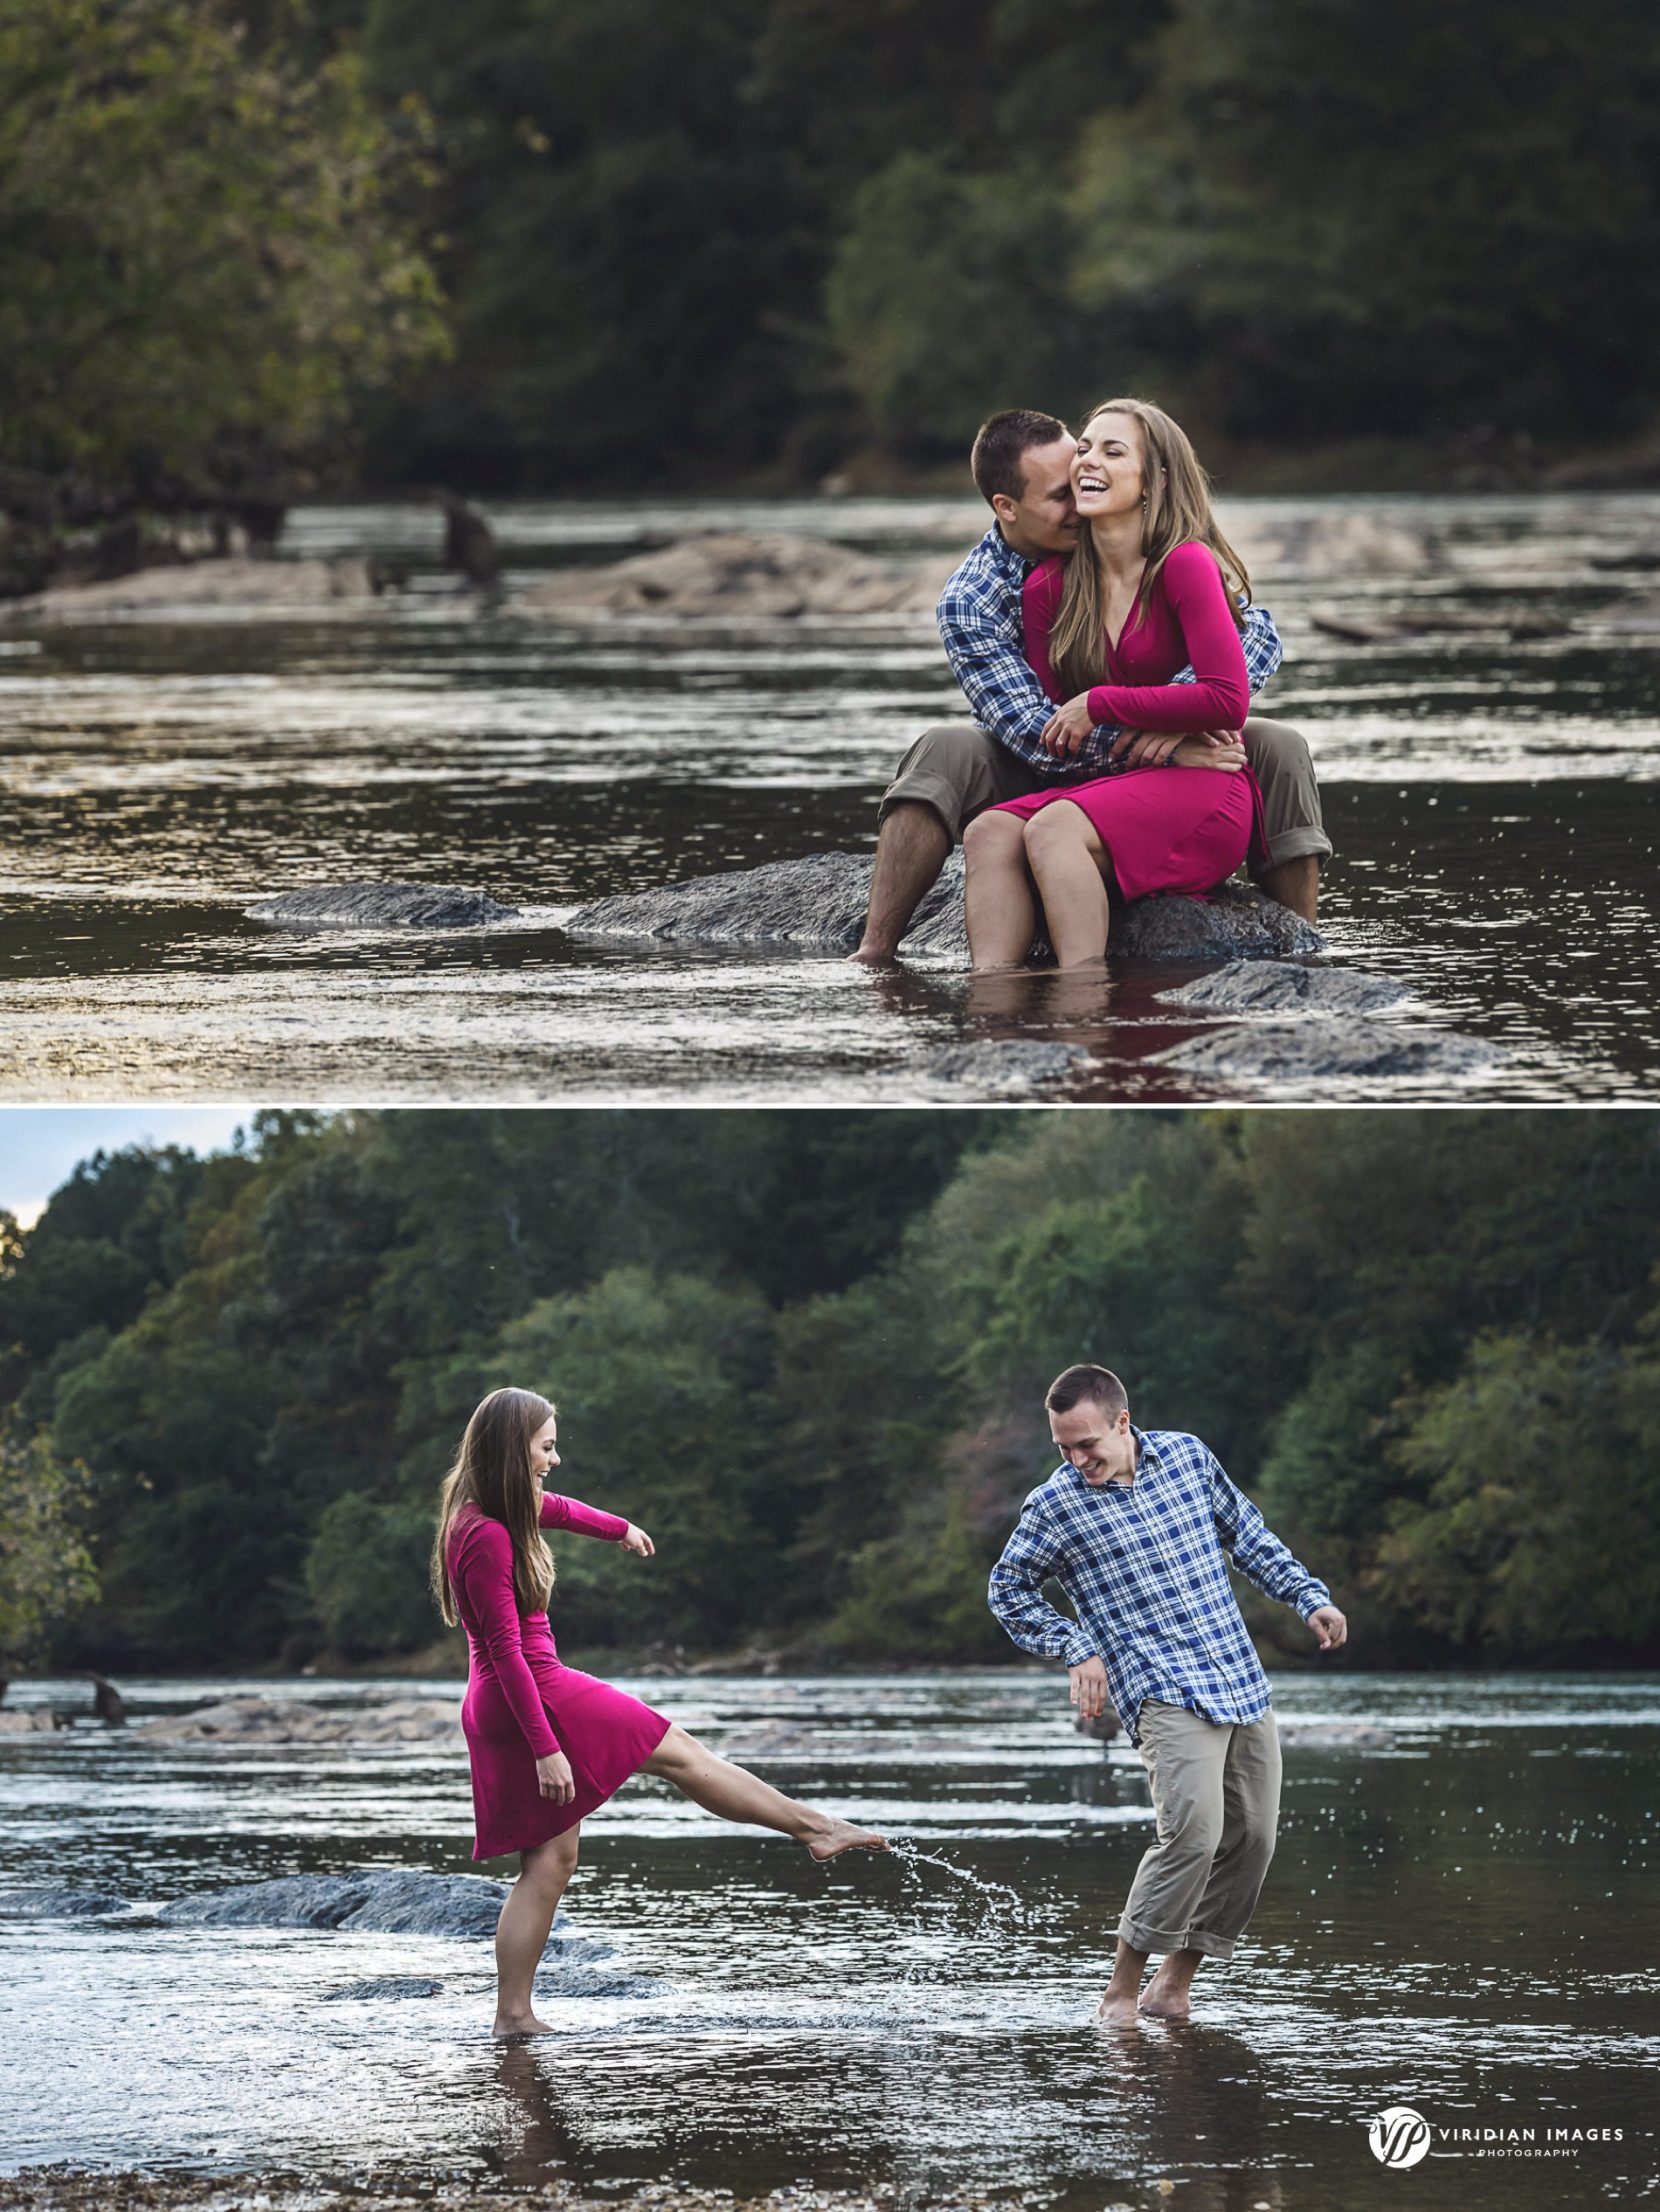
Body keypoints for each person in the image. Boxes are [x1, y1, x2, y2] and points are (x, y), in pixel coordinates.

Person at [431, 1385, 886, 2040]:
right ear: (513, 1449)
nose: (555, 1459)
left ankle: (514, 2017)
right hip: (531, 1693)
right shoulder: (486, 1536)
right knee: (683, 1755)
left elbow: (555, 1508)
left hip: (515, 1696)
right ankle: (814, 1828)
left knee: (550, 1865)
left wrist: (619, 1527)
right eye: (547, 1446)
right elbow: (505, 1651)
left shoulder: (496, 1511)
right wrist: (545, 1746)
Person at [849, 407, 1330, 965]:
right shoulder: (978, 596)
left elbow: (1256, 636)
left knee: (1279, 743)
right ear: (1007, 507)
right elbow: (1036, 733)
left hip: (1148, 740)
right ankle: (878, 950)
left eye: (1089, 457)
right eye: (1060, 493)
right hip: (1044, 756)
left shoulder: (1135, 539)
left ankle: (1300, 944)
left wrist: (1173, 717)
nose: (1079, 492)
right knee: (943, 751)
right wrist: (1157, 737)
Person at [987, 1363, 1346, 2025]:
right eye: (1062, 1447)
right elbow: (1006, 1592)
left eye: (1086, 1444)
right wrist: (1077, 1646)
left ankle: (1173, 1984)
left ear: (1122, 1422)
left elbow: (1248, 1535)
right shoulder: (1056, 1505)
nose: (1076, 1459)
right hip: (1156, 1687)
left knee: (1254, 1837)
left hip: (1235, 1672)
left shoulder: (1187, 1456)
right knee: (1191, 1832)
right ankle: (1120, 1992)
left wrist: (1308, 1596)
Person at [964, 397, 1267, 970]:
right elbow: (1058, 731)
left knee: (1053, 829)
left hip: (1206, 785)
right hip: (1114, 779)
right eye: (1083, 449)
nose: (1087, 462)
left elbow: (1228, 699)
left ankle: (1085, 1004)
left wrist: (1102, 704)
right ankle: (993, 1007)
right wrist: (1154, 734)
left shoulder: (1185, 565)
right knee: (988, 832)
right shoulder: (1048, 589)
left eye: (1112, 450)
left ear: (1154, 481)